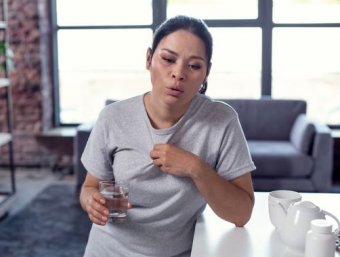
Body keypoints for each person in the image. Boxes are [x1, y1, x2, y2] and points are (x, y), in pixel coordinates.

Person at [79, 15, 256, 257]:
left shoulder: (221, 120)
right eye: (168, 59)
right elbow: (90, 186)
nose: (178, 73)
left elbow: (241, 213)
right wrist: (90, 200)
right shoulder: (112, 117)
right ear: (149, 59)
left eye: (194, 66)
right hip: (107, 251)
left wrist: (195, 167)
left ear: (207, 72)